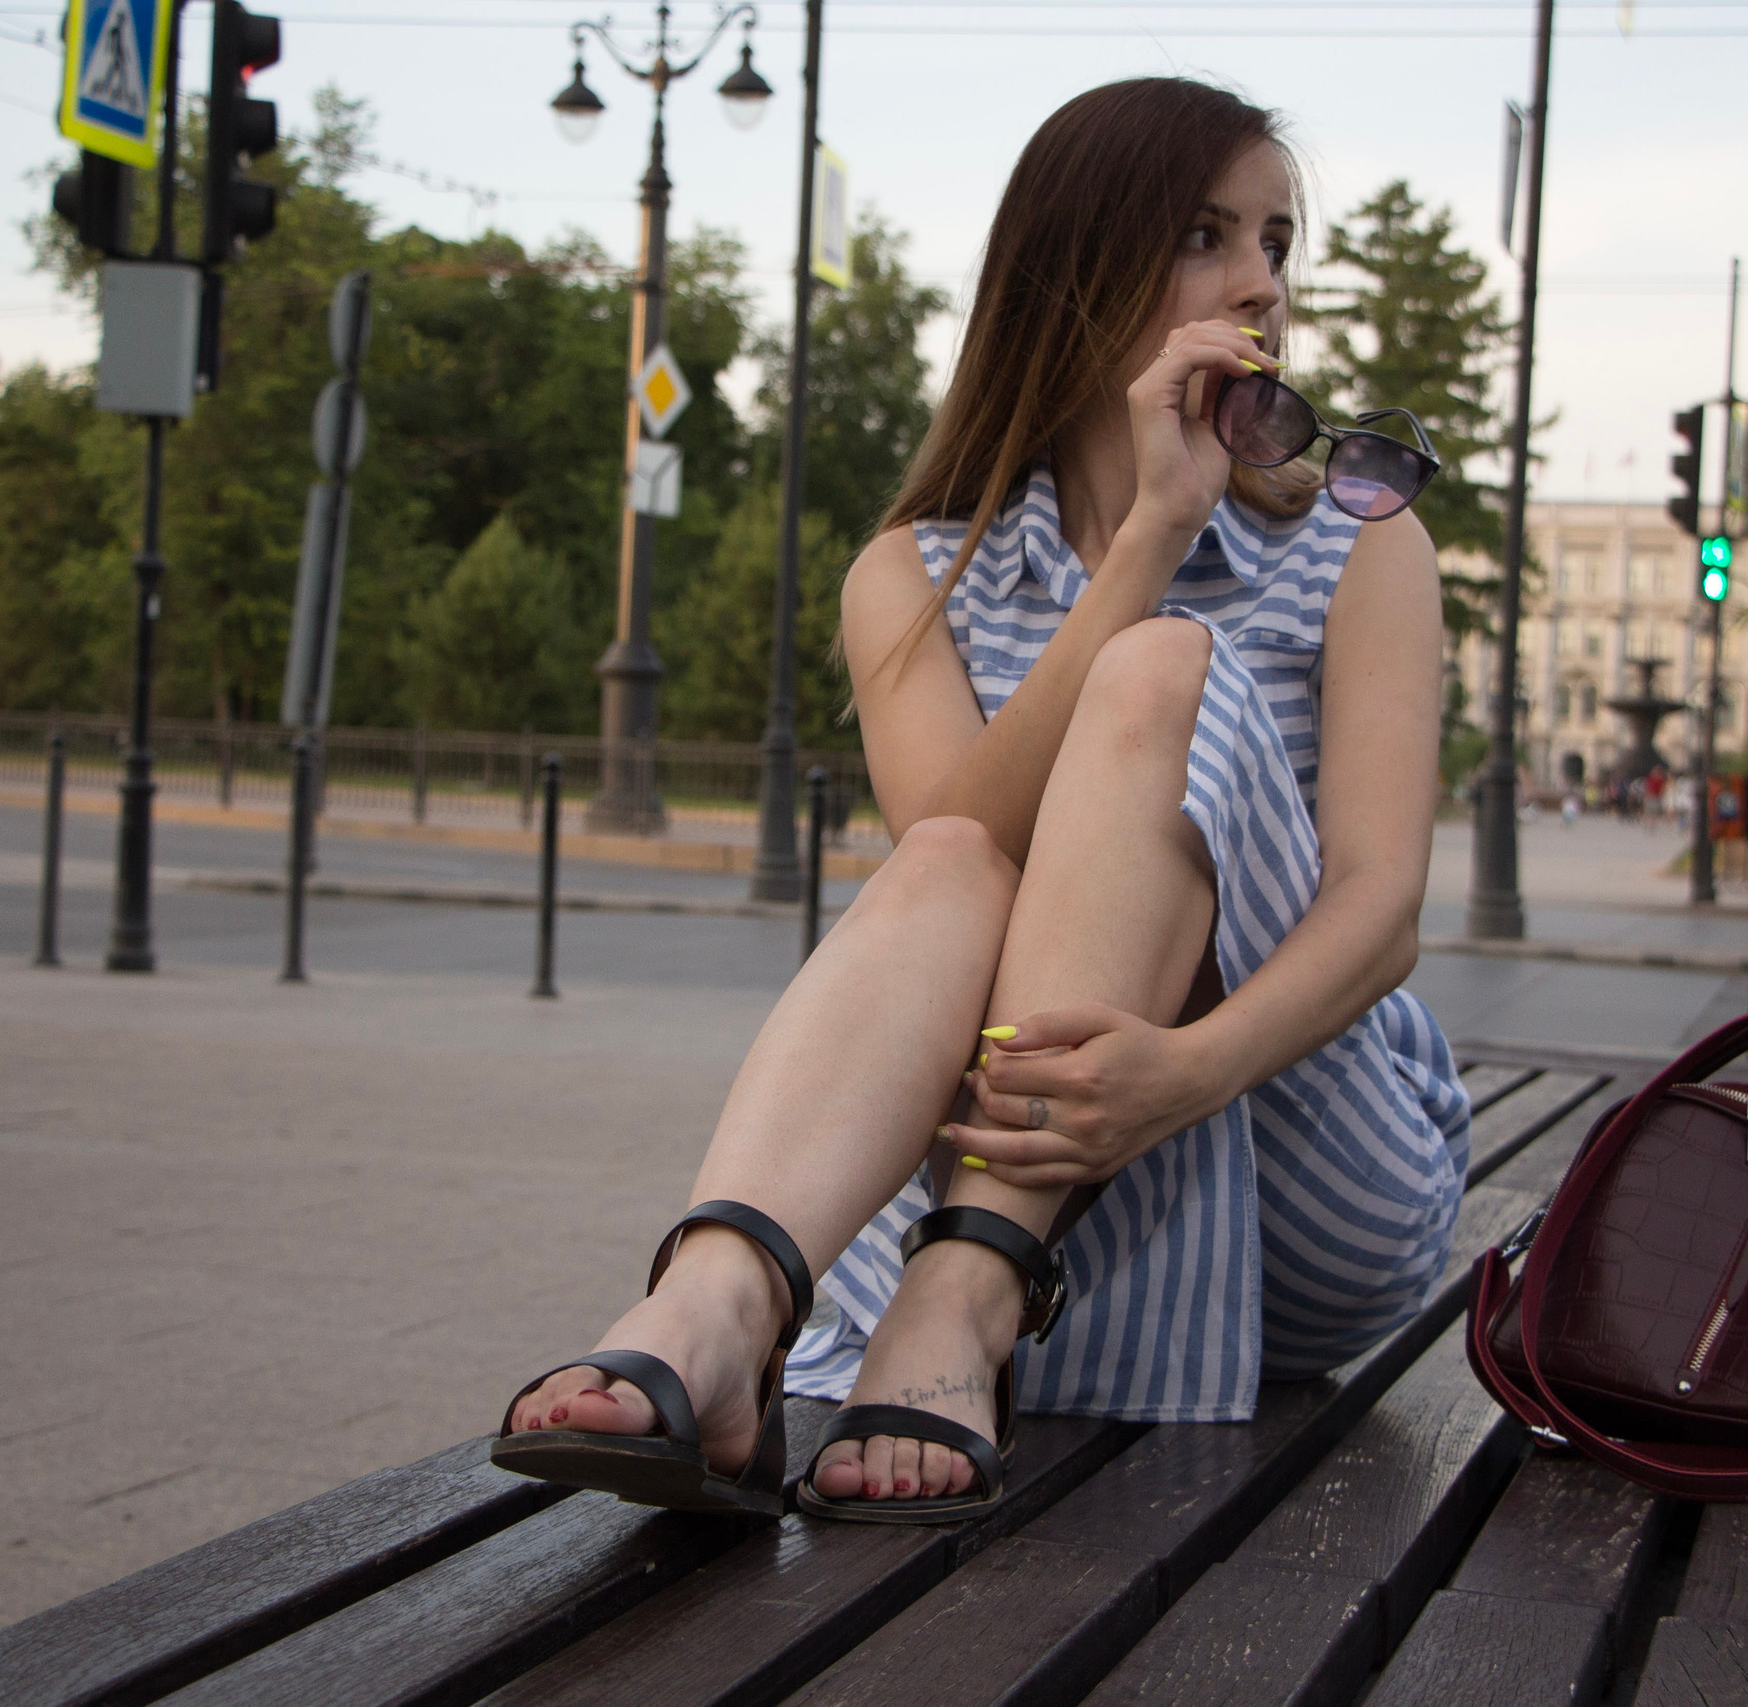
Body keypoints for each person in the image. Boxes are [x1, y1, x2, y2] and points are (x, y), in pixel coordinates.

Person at [493, 77, 1471, 1523]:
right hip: (1032, 1131)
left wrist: (1188, 1072)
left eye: (1274, 238)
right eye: (1208, 234)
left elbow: (1381, 914)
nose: (1260, 281)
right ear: (1075, 267)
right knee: (958, 848)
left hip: (1305, 1159)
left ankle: (958, 1294)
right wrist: (1151, 534)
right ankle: (716, 1303)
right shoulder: (912, 573)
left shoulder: (1358, 544)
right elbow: (958, 848)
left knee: (1157, 678)